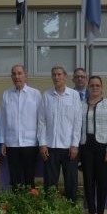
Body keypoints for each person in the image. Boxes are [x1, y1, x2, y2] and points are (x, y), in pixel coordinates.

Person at [38, 66, 82, 202]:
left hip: (69, 148)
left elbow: (77, 121)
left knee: (71, 182)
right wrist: (42, 143)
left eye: (59, 74)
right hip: (50, 147)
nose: (56, 77)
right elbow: (41, 122)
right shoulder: (46, 95)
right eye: (54, 75)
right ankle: (50, 210)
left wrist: (75, 145)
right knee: (50, 183)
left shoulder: (74, 96)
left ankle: (71, 209)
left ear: (65, 76)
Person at [79, 76, 107, 214]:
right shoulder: (82, 105)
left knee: (102, 181)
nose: (94, 88)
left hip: (102, 147)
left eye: (97, 85)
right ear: (88, 87)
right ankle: (92, 213)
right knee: (88, 180)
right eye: (92, 85)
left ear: (101, 88)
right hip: (85, 146)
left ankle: (101, 213)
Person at [0, 65, 41, 189]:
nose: (17, 76)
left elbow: (41, 119)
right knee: (15, 179)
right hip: (12, 143)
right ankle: (16, 206)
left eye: (19, 73)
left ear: (25, 75)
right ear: (11, 77)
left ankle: (30, 206)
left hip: (30, 143)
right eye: (14, 74)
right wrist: (3, 141)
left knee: (29, 178)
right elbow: (3, 119)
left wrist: (41, 140)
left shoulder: (35, 94)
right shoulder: (6, 94)